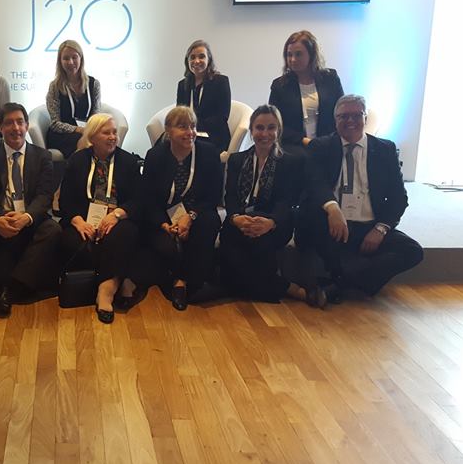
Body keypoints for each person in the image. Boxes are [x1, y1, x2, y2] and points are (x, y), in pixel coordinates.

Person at [297, 94, 423, 302]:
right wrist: (332, 208)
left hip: (369, 226)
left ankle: (338, 285)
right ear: (335, 120)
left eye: (356, 115)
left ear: (365, 118)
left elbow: (398, 198)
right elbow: (315, 183)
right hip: (333, 225)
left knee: (412, 251)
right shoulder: (320, 147)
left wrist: (380, 229)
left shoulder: (385, 150)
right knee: (318, 235)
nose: (350, 121)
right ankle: (350, 279)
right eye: (343, 116)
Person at [219, 105, 325, 307]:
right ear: (251, 130)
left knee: (258, 246)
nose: (265, 134)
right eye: (259, 128)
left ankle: (238, 285)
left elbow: (287, 201)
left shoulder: (291, 162)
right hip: (241, 220)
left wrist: (271, 222)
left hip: (275, 222)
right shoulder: (236, 160)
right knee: (229, 239)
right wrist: (235, 218)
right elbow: (230, 196)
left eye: (271, 128)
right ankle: (287, 288)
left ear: (279, 130)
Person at [0, 103, 61, 318]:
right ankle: (18, 284)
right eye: (9, 123)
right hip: (2, 217)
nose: (15, 128)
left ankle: (10, 288)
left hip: (30, 216)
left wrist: (26, 217)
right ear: (1, 128)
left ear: (27, 125)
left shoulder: (43, 156)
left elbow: (44, 196)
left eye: (20, 122)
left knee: (53, 230)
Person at [58, 114, 143, 323]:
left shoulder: (128, 162)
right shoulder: (77, 160)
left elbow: (139, 200)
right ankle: (121, 278)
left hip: (118, 218)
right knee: (71, 240)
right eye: (106, 133)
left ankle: (106, 290)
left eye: (114, 132)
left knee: (123, 235)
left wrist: (116, 215)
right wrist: (79, 222)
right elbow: (65, 200)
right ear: (92, 137)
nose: (113, 137)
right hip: (84, 218)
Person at [140, 106, 223, 311]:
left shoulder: (209, 153)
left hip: (197, 211)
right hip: (164, 214)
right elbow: (148, 198)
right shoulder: (155, 156)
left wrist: (190, 217)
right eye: (182, 127)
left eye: (193, 126)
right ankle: (170, 277)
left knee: (210, 222)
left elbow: (213, 196)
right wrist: (164, 224)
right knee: (165, 246)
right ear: (168, 130)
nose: (190, 132)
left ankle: (182, 282)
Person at [268, 30, 344, 155]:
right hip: (293, 146)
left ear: (312, 55)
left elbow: (341, 113)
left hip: (328, 143)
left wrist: (325, 141)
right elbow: (275, 123)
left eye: (298, 54)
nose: (293, 59)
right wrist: (304, 141)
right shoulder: (280, 86)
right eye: (289, 55)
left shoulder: (331, 79)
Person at [45, 40, 101, 158]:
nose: (71, 62)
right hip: (62, 135)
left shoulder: (94, 84)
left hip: (87, 132)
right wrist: (79, 130)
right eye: (66, 58)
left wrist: (90, 130)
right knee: (84, 141)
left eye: (74, 57)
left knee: (103, 139)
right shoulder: (55, 86)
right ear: (60, 62)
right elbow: (55, 123)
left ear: (81, 58)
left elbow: (96, 115)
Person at [175, 40, 232, 152]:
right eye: (192, 57)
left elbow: (222, 117)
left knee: (198, 148)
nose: (196, 61)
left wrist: (193, 126)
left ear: (208, 60)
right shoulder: (183, 85)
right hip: (188, 133)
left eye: (201, 56)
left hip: (213, 135)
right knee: (163, 143)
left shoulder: (221, 82)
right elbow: (180, 114)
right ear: (187, 61)